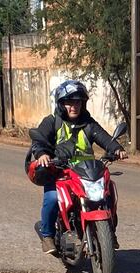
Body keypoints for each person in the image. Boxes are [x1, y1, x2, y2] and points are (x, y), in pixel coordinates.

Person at [29, 80, 128, 254]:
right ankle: (48, 236)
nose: (74, 106)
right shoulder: (52, 121)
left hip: (87, 172)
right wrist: (42, 154)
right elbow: (39, 141)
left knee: (108, 193)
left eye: (77, 102)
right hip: (60, 172)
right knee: (52, 198)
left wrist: (116, 149)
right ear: (61, 104)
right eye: (69, 102)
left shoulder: (88, 123)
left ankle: (109, 232)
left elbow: (103, 137)